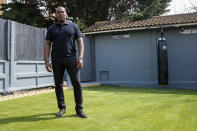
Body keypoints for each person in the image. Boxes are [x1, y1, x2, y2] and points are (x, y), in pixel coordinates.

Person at [44, 6, 87, 118]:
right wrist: (46, 60)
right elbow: (47, 44)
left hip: (71, 59)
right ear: (56, 15)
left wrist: (81, 57)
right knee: (58, 84)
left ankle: (79, 109)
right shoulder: (51, 29)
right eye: (58, 12)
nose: (61, 14)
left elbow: (80, 43)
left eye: (62, 12)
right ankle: (62, 108)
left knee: (77, 83)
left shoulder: (74, 26)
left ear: (66, 14)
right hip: (56, 60)